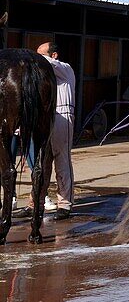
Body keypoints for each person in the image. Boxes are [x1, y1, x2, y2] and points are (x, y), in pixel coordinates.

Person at [34, 42, 77, 219]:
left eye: (41, 54)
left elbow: (47, 64)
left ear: (54, 55)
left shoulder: (65, 69)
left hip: (62, 115)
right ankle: (35, 201)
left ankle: (65, 204)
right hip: (46, 117)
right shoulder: (43, 76)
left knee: (62, 160)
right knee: (41, 162)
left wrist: (32, 58)